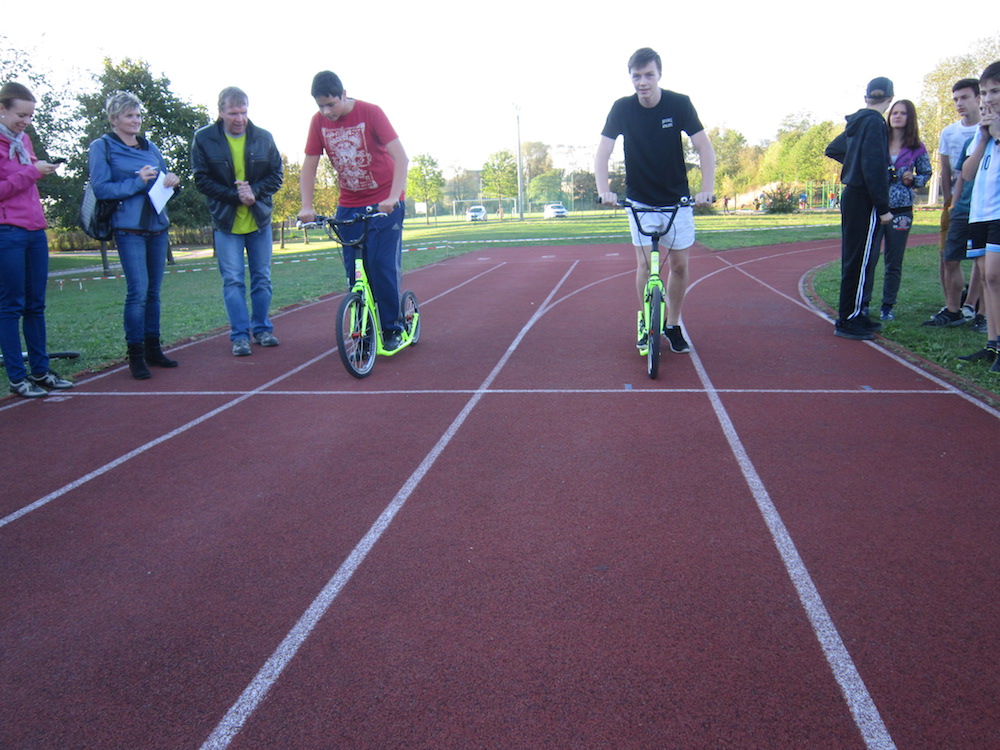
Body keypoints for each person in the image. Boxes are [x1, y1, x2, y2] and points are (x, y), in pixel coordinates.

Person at [595, 47, 716, 354]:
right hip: (640, 202)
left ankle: (672, 324)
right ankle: (647, 322)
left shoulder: (679, 104)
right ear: (630, 77)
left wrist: (706, 189)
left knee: (678, 266)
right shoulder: (622, 108)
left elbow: (704, 147)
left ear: (659, 74)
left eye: (649, 75)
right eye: (637, 76)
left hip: (676, 200)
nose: (643, 82)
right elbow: (603, 152)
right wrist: (604, 190)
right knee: (644, 265)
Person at [297, 71, 409, 351]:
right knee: (355, 272)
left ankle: (392, 327)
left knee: (381, 265)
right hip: (349, 203)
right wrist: (306, 206)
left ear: (343, 94)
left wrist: (393, 197)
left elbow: (401, 157)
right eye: (320, 105)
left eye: (331, 104)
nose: (326, 111)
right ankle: (363, 332)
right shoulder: (318, 122)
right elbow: (309, 165)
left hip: (385, 201)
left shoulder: (371, 112)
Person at [89, 91, 180, 379]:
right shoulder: (102, 147)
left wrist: (172, 182)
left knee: (154, 292)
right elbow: (101, 188)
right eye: (129, 115)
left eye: (138, 115)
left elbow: (164, 180)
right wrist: (136, 182)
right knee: (137, 291)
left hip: (157, 225)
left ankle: (154, 348)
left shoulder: (151, 147)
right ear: (113, 118)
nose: (136, 120)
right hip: (128, 228)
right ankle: (136, 354)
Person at [192, 87, 283, 357]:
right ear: (221, 112)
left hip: (259, 220)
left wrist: (254, 192)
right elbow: (201, 180)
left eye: (243, 112)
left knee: (262, 278)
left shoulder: (264, 138)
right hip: (226, 222)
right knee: (232, 281)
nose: (239, 118)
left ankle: (262, 329)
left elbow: (276, 175)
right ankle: (240, 336)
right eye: (233, 113)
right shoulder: (204, 139)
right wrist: (236, 196)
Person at [0, 81, 72, 398]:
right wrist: (33, 172)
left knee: (36, 305)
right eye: (21, 115)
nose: (26, 121)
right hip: (8, 231)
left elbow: (26, 181)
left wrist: (41, 169)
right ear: (2, 109)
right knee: (11, 305)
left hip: (34, 230)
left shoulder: (24, 141)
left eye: (30, 116)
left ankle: (41, 371)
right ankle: (17, 378)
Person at [824, 77, 894, 340]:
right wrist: (883, 207)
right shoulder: (875, 123)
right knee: (861, 258)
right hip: (864, 197)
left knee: (856, 257)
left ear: (866, 98)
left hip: (852, 194)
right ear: (890, 99)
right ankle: (849, 318)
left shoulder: (857, 122)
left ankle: (854, 313)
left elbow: (833, 148)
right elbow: (874, 167)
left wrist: (852, 162)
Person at [862, 99, 932, 321]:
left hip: (902, 210)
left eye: (903, 113)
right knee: (869, 257)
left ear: (910, 118)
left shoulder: (917, 147)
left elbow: (926, 173)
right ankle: (863, 302)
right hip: (876, 207)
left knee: (894, 260)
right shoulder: (879, 141)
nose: (897, 116)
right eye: (894, 112)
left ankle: (887, 306)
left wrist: (914, 179)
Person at [927, 79, 983, 328]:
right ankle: (952, 306)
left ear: (978, 98)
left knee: (982, 257)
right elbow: (948, 169)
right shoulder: (949, 132)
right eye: (956, 99)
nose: (959, 103)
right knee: (948, 254)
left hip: (985, 203)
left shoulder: (989, 129)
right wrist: (950, 201)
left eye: (965, 97)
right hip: (957, 202)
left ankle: (972, 305)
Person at [958, 62, 1000, 372]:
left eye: (995, 91)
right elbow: (968, 173)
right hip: (980, 213)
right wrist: (984, 137)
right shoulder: (981, 131)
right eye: (984, 93)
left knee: (996, 277)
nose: (988, 99)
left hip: (998, 213)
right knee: (986, 278)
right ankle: (992, 343)